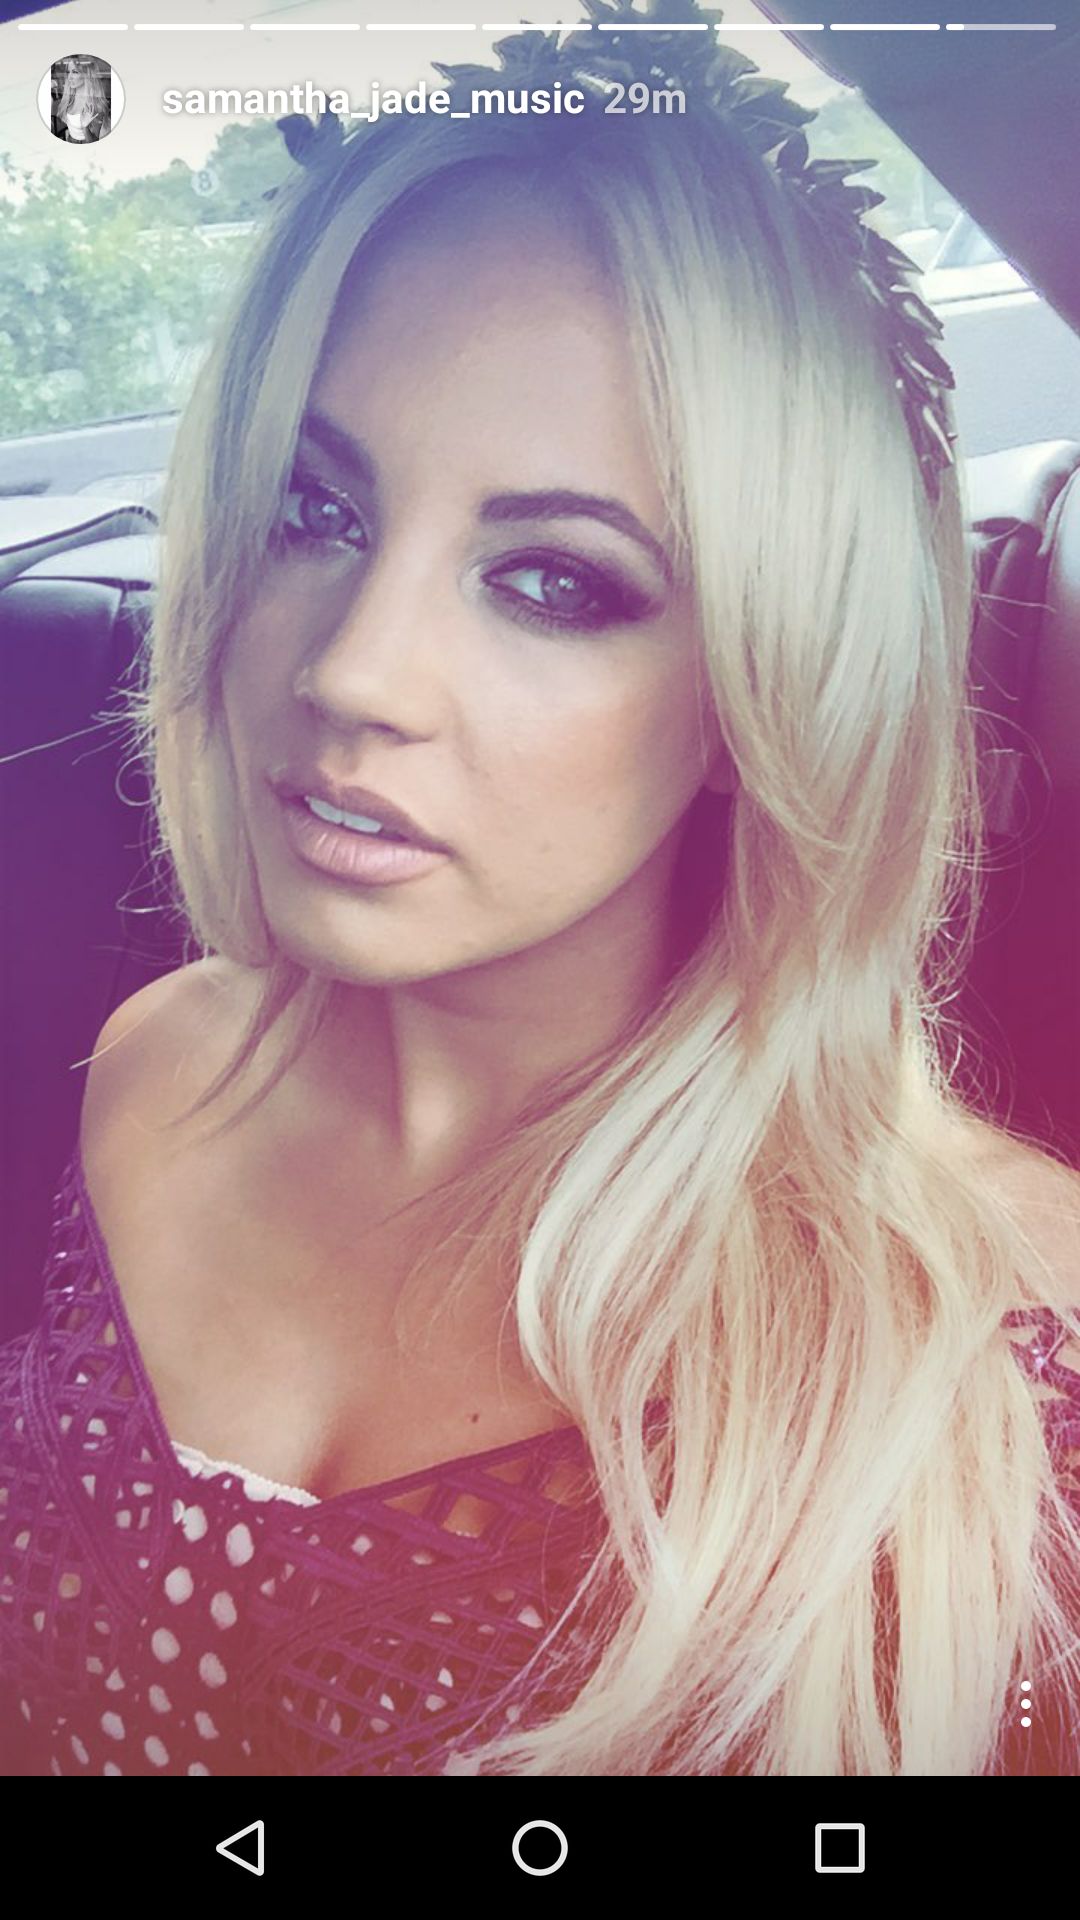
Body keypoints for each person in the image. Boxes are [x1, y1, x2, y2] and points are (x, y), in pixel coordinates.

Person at [2, 0, 1078, 1778]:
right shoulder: (155, 1064)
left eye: (558, 583)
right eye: (314, 510)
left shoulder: (985, 1348)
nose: (352, 671)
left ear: (756, 692)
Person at [52, 57, 110, 145]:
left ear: (87, 75)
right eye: (68, 72)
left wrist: (85, 128)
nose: (69, 77)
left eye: (75, 72)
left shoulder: (94, 105)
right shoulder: (69, 98)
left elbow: (93, 142)